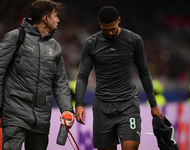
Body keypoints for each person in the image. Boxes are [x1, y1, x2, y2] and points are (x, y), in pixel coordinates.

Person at [75, 6, 164, 150]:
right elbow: (82, 76)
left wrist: (153, 104)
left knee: (131, 146)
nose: (109, 33)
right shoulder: (91, 44)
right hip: (102, 108)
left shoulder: (134, 40)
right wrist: (79, 104)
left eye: (113, 28)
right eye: (105, 29)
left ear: (119, 20)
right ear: (99, 23)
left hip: (128, 105)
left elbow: (144, 72)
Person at [0, 0, 74, 150]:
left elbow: (60, 82)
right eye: (55, 16)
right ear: (45, 18)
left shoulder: (55, 46)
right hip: (15, 114)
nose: (58, 20)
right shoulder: (16, 37)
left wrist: (66, 108)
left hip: (41, 118)